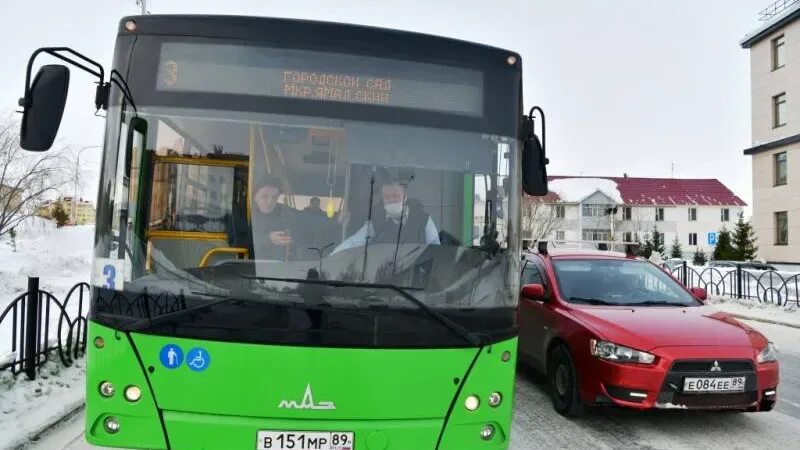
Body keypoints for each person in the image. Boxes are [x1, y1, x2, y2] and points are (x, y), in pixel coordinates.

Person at [333, 172, 440, 253]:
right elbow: (353, 242)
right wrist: (332, 257)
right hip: (383, 277)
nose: (391, 200)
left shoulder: (423, 219)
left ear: (405, 197)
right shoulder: (376, 222)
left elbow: (436, 250)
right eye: (387, 197)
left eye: (395, 196)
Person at [250, 174, 297, 259]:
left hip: (282, 268)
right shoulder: (243, 213)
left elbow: (301, 237)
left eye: (274, 197)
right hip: (249, 266)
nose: (269, 202)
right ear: (254, 196)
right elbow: (236, 241)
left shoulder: (286, 213)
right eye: (264, 196)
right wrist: (267, 240)